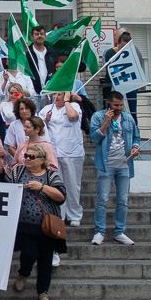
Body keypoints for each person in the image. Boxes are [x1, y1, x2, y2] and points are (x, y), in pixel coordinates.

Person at [7, 143, 67, 300]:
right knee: (28, 253)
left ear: (41, 160)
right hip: (25, 224)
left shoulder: (50, 175)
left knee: (45, 260)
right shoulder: (18, 172)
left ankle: (43, 293)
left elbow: (61, 196)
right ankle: (23, 273)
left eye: (31, 157)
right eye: (26, 156)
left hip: (47, 226)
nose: (26, 159)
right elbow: (6, 187)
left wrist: (41, 187)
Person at [89, 91, 141, 246]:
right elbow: (94, 138)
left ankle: (119, 232)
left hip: (125, 164)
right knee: (102, 199)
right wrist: (106, 122)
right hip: (106, 165)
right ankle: (99, 232)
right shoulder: (98, 116)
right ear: (108, 103)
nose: (119, 108)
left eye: (121, 105)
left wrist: (135, 147)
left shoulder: (128, 118)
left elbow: (136, 137)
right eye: (116, 105)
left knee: (123, 200)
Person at [41, 92, 84, 226]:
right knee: (57, 186)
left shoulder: (74, 106)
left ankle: (74, 215)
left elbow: (73, 117)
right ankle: (60, 214)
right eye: (55, 94)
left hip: (72, 153)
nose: (57, 97)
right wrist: (46, 120)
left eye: (60, 94)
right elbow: (39, 128)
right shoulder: (46, 109)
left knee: (72, 185)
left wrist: (66, 102)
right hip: (54, 154)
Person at [103, 29, 142, 123]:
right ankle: (113, 127)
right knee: (114, 109)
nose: (124, 49)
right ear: (118, 42)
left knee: (132, 110)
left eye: (127, 47)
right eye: (122, 46)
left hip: (130, 84)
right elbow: (110, 69)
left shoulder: (132, 52)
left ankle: (134, 128)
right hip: (115, 85)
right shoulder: (110, 53)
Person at [25, 26, 59, 104]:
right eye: (37, 34)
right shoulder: (27, 54)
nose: (40, 36)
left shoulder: (52, 52)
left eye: (42, 34)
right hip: (34, 94)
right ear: (32, 37)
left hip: (50, 93)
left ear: (45, 36)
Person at [2, 96, 39, 163]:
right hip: (20, 162)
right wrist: (21, 159)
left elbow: (45, 141)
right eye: (21, 109)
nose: (24, 111)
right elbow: (10, 147)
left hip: (38, 160)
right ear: (18, 111)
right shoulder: (14, 125)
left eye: (26, 108)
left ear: (31, 109)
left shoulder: (39, 122)